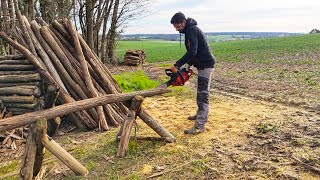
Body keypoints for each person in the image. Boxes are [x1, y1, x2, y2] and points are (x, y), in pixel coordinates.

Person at [170, 12, 215, 135]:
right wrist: (187, 65)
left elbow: (192, 51)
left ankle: (200, 126)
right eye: (175, 27)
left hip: (206, 65)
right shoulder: (189, 30)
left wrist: (178, 64)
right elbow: (193, 51)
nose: (177, 29)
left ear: (183, 22)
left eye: (178, 26)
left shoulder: (191, 30)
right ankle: (199, 114)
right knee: (200, 91)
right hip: (201, 64)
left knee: (203, 94)